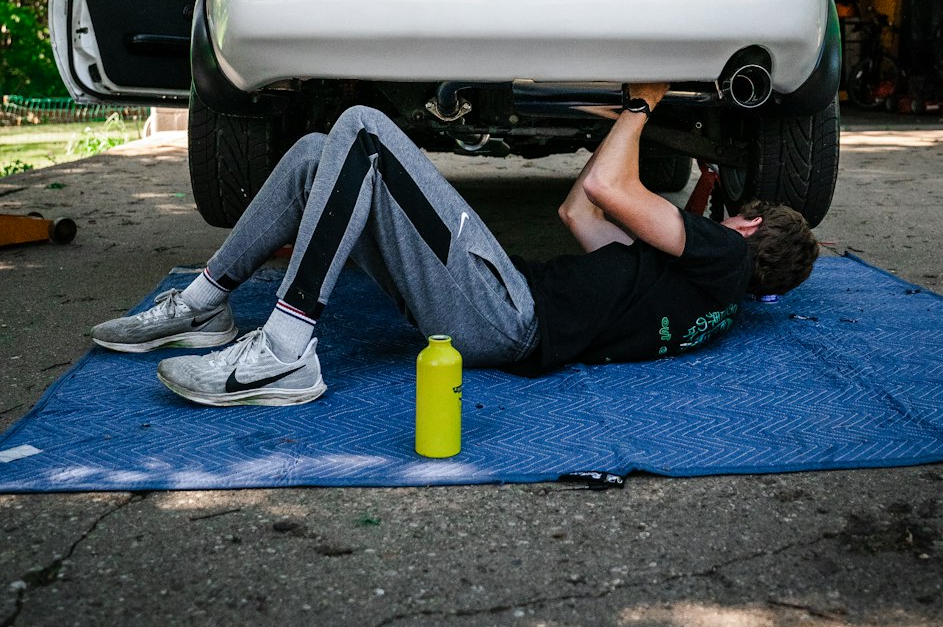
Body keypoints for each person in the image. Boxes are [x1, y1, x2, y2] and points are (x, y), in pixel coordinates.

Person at [90, 86, 819, 406]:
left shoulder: (722, 259)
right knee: (321, 150)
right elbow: (581, 208)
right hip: (494, 319)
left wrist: (643, 104)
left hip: (505, 312)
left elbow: (614, 192)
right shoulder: (698, 290)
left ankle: (282, 352)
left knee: (367, 128)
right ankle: (204, 305)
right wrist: (616, 121)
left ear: (749, 228)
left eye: (734, 215)